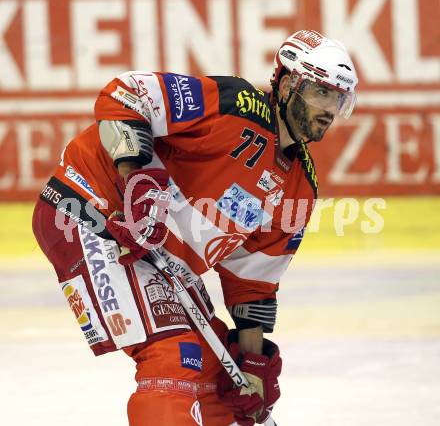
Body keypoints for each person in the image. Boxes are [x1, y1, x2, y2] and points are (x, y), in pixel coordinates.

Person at [32, 29, 358, 425]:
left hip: (155, 256)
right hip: (90, 211)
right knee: (176, 357)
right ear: (289, 84)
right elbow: (125, 95)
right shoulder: (235, 105)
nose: (330, 107)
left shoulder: (299, 188)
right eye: (321, 92)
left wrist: (252, 364)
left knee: (221, 373)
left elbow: (251, 284)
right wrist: (136, 183)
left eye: (338, 98)